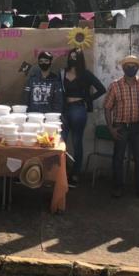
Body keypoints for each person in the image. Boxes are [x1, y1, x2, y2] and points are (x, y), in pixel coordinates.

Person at [103, 54, 139, 199]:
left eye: (134, 66)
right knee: (118, 158)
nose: (130, 68)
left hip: (138, 127)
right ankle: (118, 187)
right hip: (121, 127)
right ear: (123, 68)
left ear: (138, 68)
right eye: (127, 66)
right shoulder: (115, 85)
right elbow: (107, 107)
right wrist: (111, 128)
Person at [60, 48, 106, 186]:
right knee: (60, 141)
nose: (72, 58)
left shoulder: (85, 74)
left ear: (80, 59)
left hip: (78, 109)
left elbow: (101, 89)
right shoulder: (62, 73)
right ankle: (61, 172)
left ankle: (75, 173)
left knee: (76, 142)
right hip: (63, 109)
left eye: (75, 56)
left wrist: (87, 99)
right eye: (70, 56)